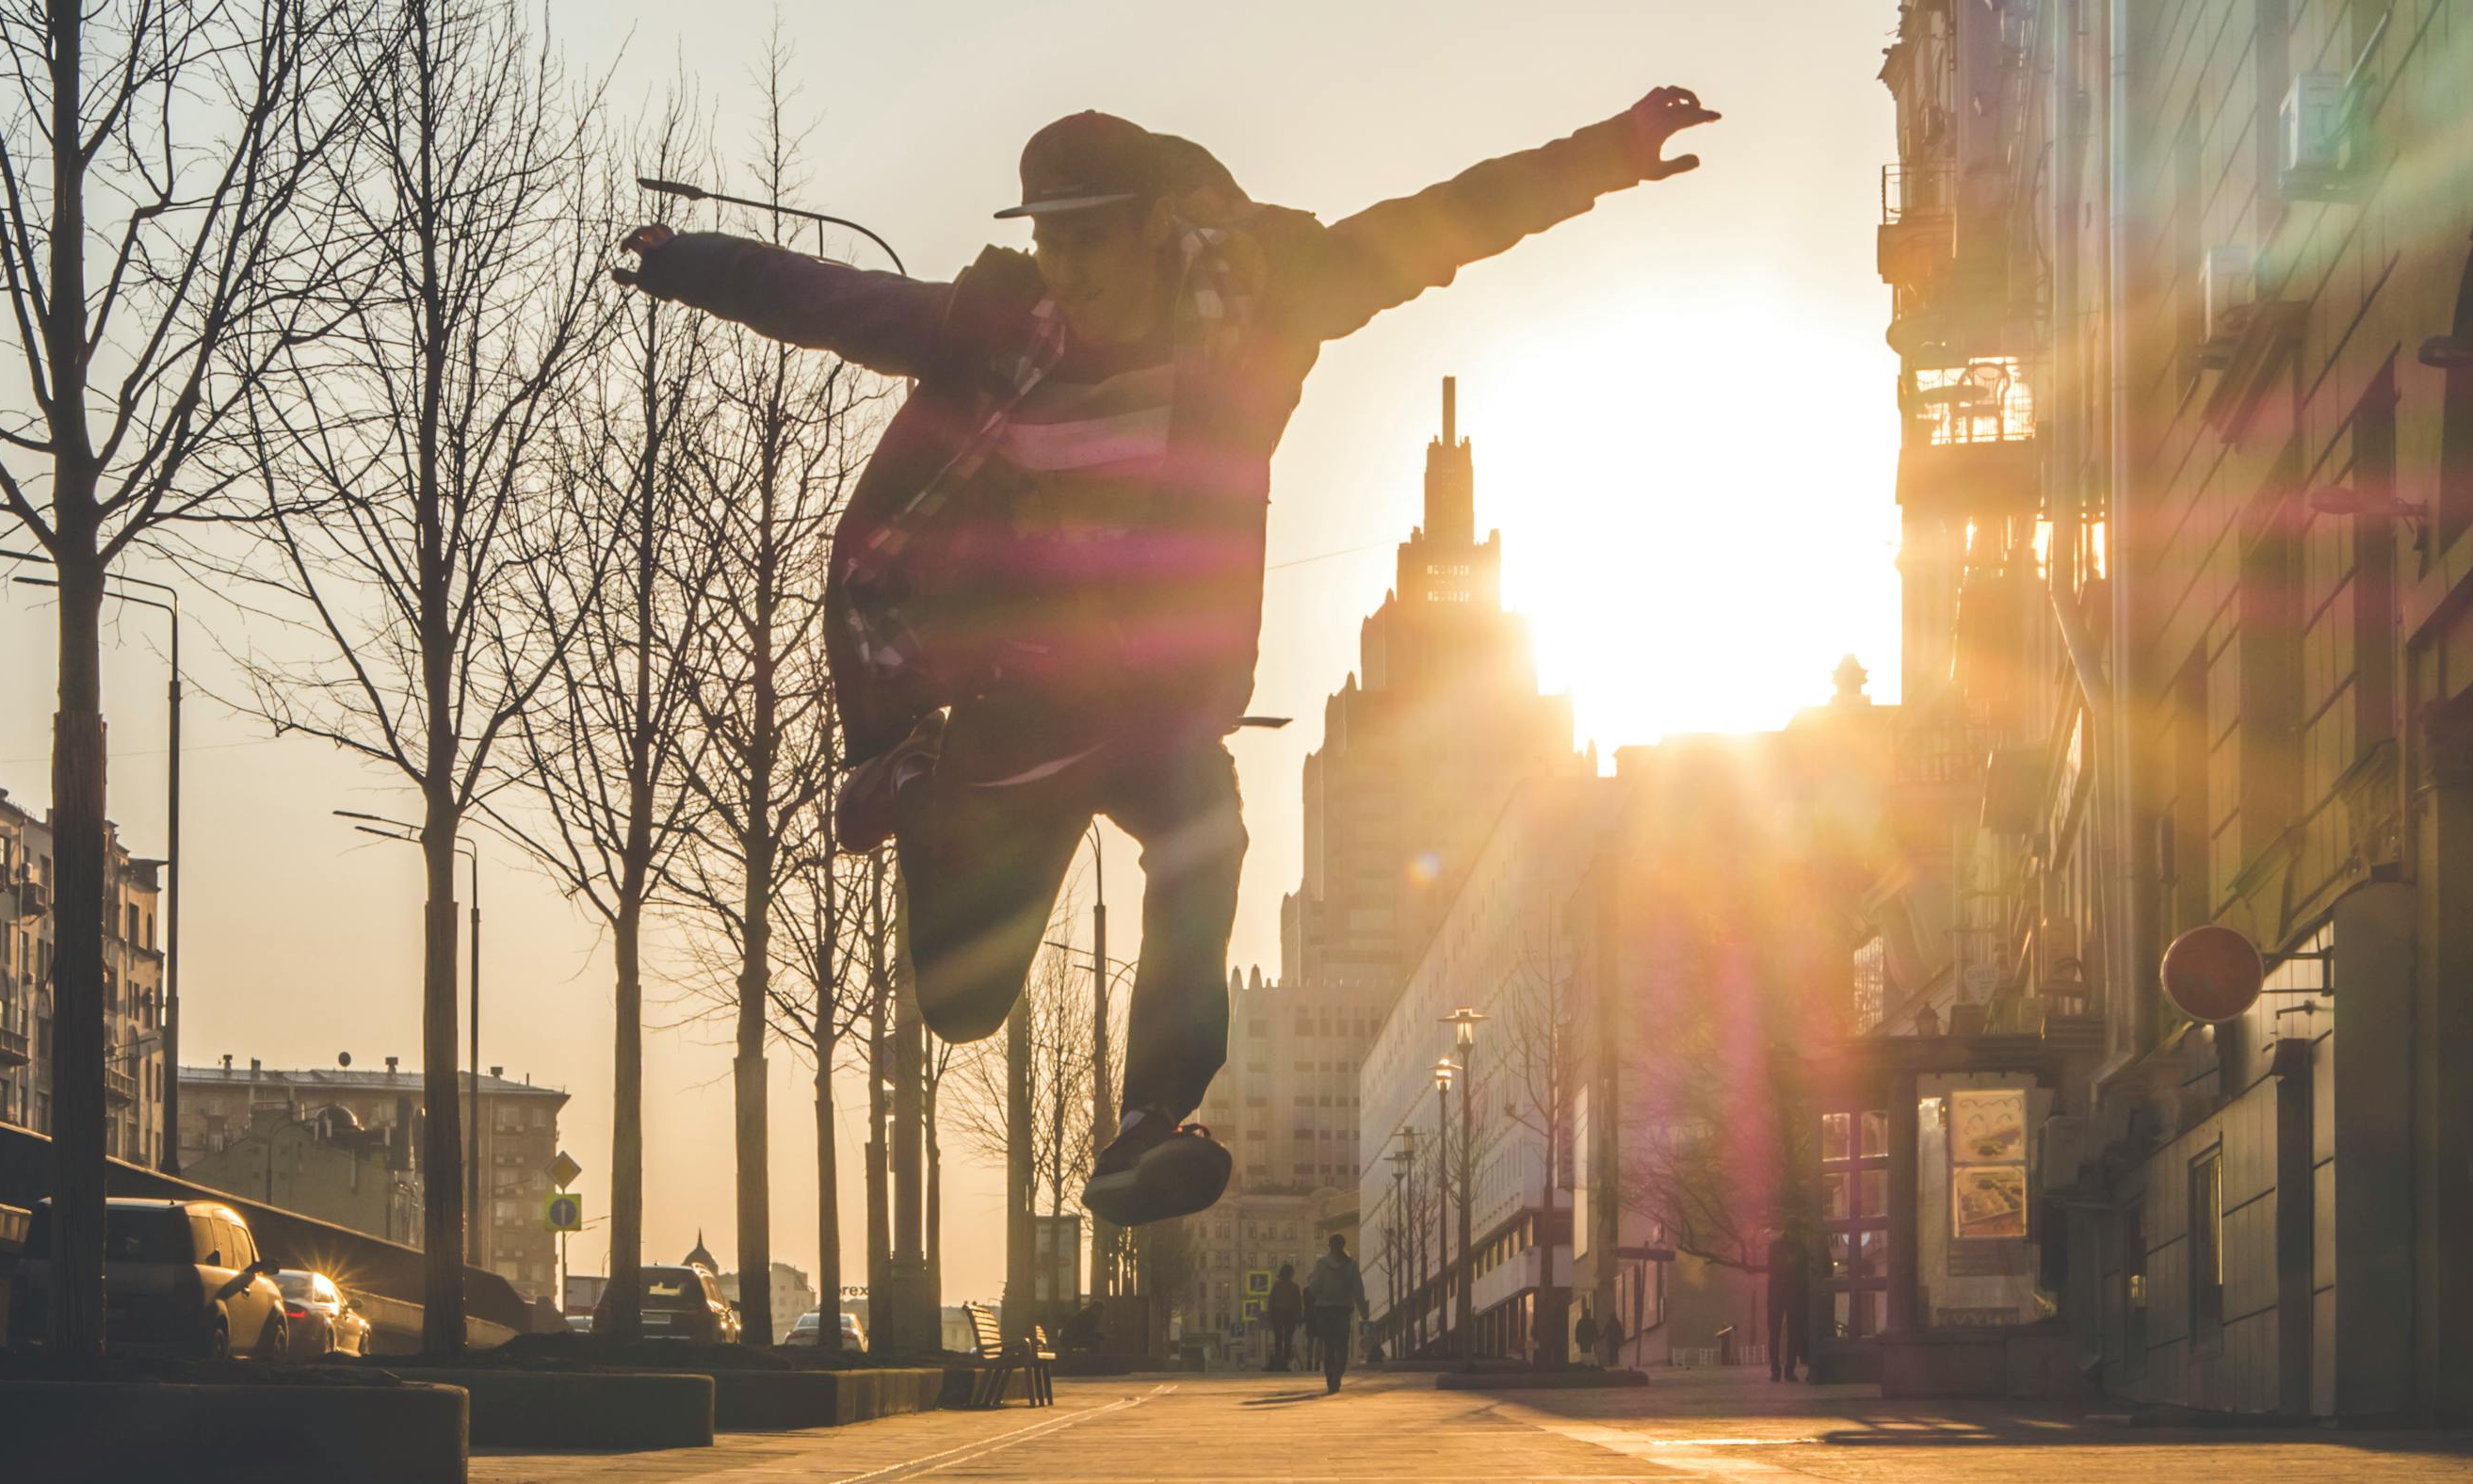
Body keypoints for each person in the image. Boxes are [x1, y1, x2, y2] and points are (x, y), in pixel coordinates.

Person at [621, 90, 1721, 1229]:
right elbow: (831, 299)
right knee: (958, 1007)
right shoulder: (999, 329)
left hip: (1154, 705)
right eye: (1048, 238)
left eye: (1088, 237)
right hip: (1021, 697)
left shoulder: (1259, 310)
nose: (1066, 267)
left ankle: (1148, 1119)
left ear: (1153, 226)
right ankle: (919, 783)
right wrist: (683, 260)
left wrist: (1609, 154)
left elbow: (1433, 229)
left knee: (1208, 833)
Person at [1304, 1234, 1366, 1393]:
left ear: (1329, 1246)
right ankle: (1337, 1376)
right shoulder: (1351, 1264)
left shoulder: (1321, 1263)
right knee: (1342, 1345)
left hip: (1324, 1309)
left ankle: (1330, 1378)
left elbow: (1314, 1287)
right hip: (1343, 1310)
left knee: (1329, 1346)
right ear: (1343, 1245)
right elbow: (1358, 1289)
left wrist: (1318, 1294)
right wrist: (1363, 1309)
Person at [1764, 1221, 1813, 1382]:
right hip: (1789, 1293)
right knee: (1788, 1333)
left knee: (1781, 1333)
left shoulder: (1780, 1246)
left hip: (1780, 1293)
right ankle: (1785, 1369)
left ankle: (1779, 1370)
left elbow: (1772, 1268)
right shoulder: (1798, 1246)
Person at [1264, 1262, 1304, 1371]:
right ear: (1291, 1275)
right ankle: (1285, 1363)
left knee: (1279, 1339)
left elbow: (1271, 1303)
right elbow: (1298, 1304)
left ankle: (1279, 1362)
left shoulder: (1276, 1286)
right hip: (1289, 1316)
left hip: (1278, 1315)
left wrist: (1269, 1317)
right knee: (1287, 1340)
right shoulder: (1294, 1287)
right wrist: (1299, 1318)